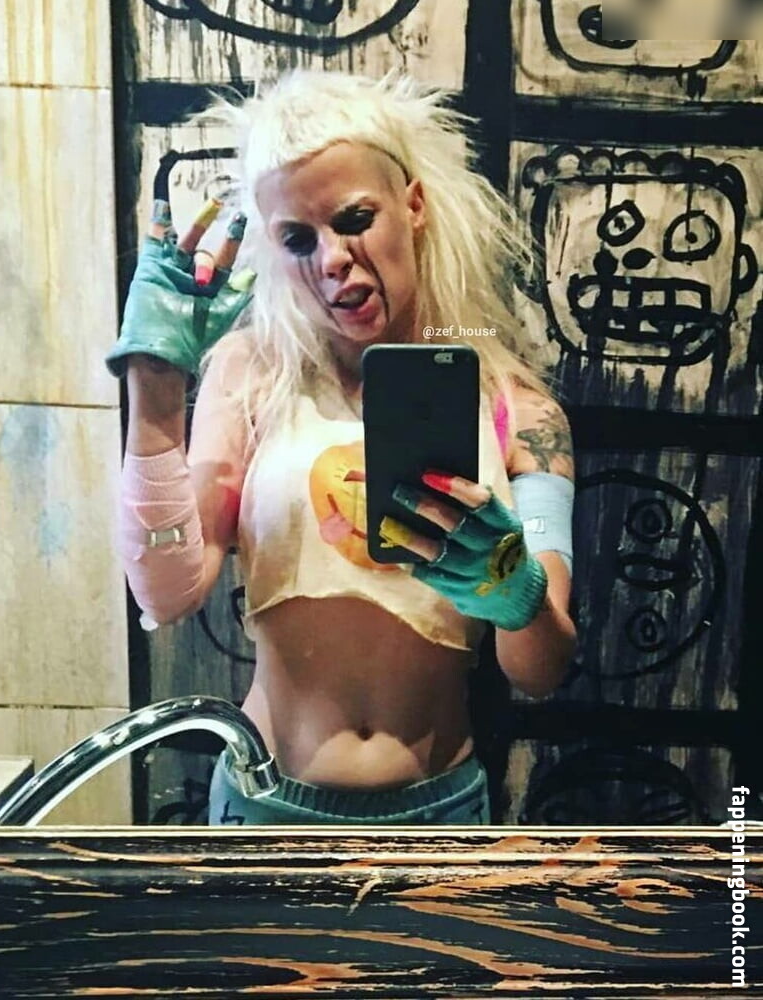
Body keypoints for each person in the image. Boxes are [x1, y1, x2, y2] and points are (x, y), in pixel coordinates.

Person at [106, 70, 577, 826]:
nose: (330, 259)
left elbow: (542, 671)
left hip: (438, 814)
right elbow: (165, 593)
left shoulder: (518, 411)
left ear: (412, 205)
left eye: (354, 218)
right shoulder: (252, 374)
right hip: (265, 807)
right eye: (297, 238)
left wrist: (514, 592)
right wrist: (154, 386)